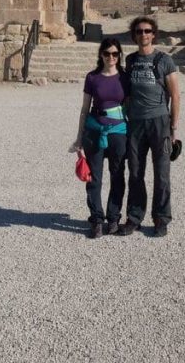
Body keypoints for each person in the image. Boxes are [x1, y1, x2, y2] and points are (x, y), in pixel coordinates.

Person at [119, 16, 180, 238]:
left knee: (162, 173)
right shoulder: (131, 60)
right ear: (134, 35)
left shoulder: (165, 60)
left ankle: (161, 218)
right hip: (135, 123)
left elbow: (175, 94)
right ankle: (134, 217)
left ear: (153, 34)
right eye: (138, 31)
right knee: (135, 172)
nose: (143, 35)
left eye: (147, 31)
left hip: (159, 122)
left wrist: (173, 128)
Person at [70, 37, 130, 239]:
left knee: (117, 175)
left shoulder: (125, 77)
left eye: (114, 54)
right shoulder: (92, 77)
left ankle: (113, 218)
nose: (111, 57)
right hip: (95, 130)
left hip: (118, 132)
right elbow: (84, 109)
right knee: (94, 178)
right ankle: (96, 219)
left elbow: (131, 107)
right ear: (101, 55)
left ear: (119, 55)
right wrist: (79, 139)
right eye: (107, 53)